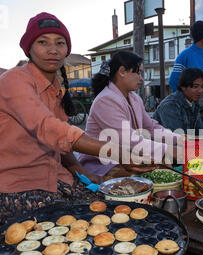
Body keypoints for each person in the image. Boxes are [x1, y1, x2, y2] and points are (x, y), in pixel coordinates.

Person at [0, 13, 154, 227]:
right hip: (15, 183)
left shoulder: (55, 91)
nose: (53, 50)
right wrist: (119, 153)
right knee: (69, 228)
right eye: (43, 42)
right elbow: (52, 130)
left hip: (54, 177)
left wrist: (84, 173)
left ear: (66, 50)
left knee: (111, 211)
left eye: (59, 43)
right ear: (29, 49)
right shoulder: (14, 80)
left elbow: (63, 148)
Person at [78, 51, 182, 179]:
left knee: (166, 167)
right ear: (122, 71)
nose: (141, 78)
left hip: (126, 157)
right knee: (160, 170)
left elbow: (151, 127)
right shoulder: (105, 100)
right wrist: (169, 150)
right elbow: (129, 140)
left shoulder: (134, 98)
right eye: (138, 72)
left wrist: (180, 139)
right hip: (101, 164)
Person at [168, 20, 203, 134]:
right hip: (190, 109)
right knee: (193, 143)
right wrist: (186, 104)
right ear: (202, 35)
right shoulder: (185, 55)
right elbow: (174, 81)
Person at [152, 68, 203, 132]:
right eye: (195, 87)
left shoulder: (194, 103)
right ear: (183, 87)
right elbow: (176, 138)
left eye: (202, 86)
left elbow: (200, 132)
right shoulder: (170, 105)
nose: (201, 91)